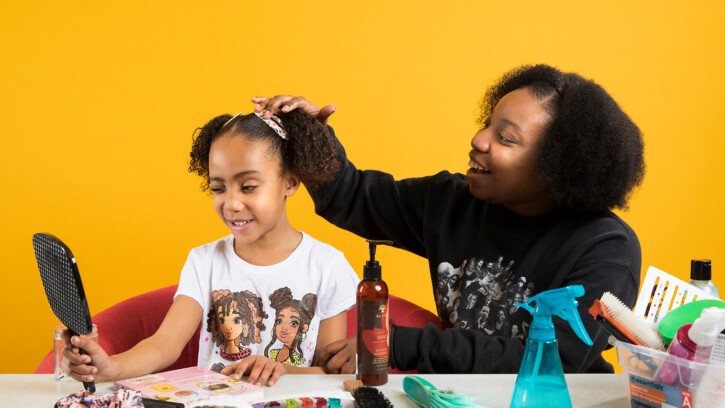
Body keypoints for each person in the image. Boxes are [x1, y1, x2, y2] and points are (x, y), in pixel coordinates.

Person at [253, 63, 645, 374]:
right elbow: (355, 197)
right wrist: (312, 140)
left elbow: (554, 361)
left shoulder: (605, 247)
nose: (479, 139)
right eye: (488, 123)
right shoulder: (451, 202)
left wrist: (400, 343)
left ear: (557, 169)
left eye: (506, 138)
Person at [61, 109, 360, 386]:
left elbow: (329, 371)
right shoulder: (204, 261)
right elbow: (164, 344)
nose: (230, 204)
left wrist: (277, 368)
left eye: (248, 187)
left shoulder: (327, 265)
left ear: (291, 182)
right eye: (218, 188)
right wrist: (111, 367)